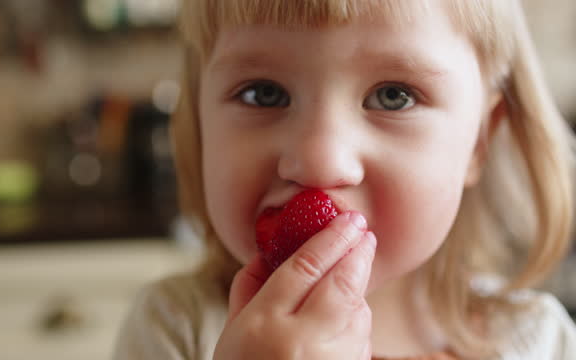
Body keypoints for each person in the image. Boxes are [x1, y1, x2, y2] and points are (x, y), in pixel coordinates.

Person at [113, 1, 576, 359]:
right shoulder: (175, 328)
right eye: (264, 93)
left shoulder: (538, 343)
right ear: (198, 122)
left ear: (478, 142)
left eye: (393, 96)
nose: (318, 162)